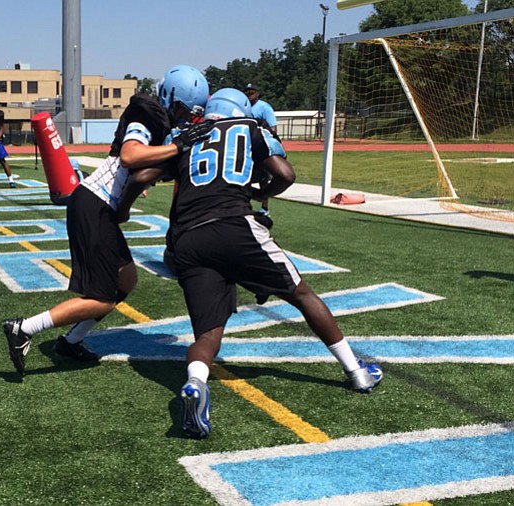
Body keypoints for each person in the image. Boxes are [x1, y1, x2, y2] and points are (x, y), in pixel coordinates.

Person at [123, 88, 383, 439]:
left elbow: (140, 177)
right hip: (234, 225)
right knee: (302, 295)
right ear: (243, 110)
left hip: (188, 239)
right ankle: (356, 372)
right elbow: (286, 174)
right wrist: (260, 192)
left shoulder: (185, 135)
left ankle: (196, 382)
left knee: (208, 333)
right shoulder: (248, 126)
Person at [2, 65, 211, 376]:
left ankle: (72, 341)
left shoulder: (159, 118)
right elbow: (130, 156)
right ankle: (24, 328)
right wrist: (176, 147)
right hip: (94, 204)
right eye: (184, 111)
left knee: (126, 281)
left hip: (100, 205)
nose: (185, 119)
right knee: (101, 298)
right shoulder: (146, 115)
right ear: (170, 99)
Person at [244, 83, 278, 216]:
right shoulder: (243, 107)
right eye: (247, 92)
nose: (249, 94)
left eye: (252, 92)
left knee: (264, 179)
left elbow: (273, 129)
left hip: (259, 146)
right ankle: (246, 205)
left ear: (258, 93)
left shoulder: (264, 107)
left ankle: (264, 208)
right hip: (247, 146)